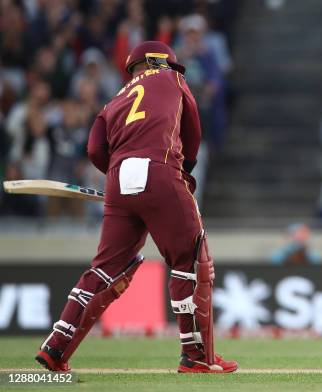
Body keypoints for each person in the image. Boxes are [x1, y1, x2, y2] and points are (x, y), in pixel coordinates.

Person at [35, 41, 238, 374]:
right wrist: (184, 171)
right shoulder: (173, 80)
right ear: (160, 62)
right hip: (160, 169)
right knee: (192, 260)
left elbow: (95, 149)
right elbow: (193, 131)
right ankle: (197, 355)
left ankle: (56, 348)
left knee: (104, 269)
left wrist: (118, 180)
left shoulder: (112, 102)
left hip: (118, 178)